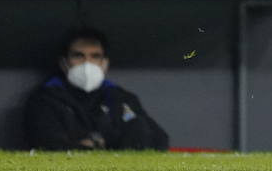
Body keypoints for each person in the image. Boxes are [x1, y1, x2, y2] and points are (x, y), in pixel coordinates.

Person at [23, 27, 169, 151]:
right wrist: (106, 144)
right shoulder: (45, 99)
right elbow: (49, 144)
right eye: (78, 56)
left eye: (95, 56)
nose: (87, 63)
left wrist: (96, 143)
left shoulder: (122, 98)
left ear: (104, 63)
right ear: (64, 63)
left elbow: (156, 139)